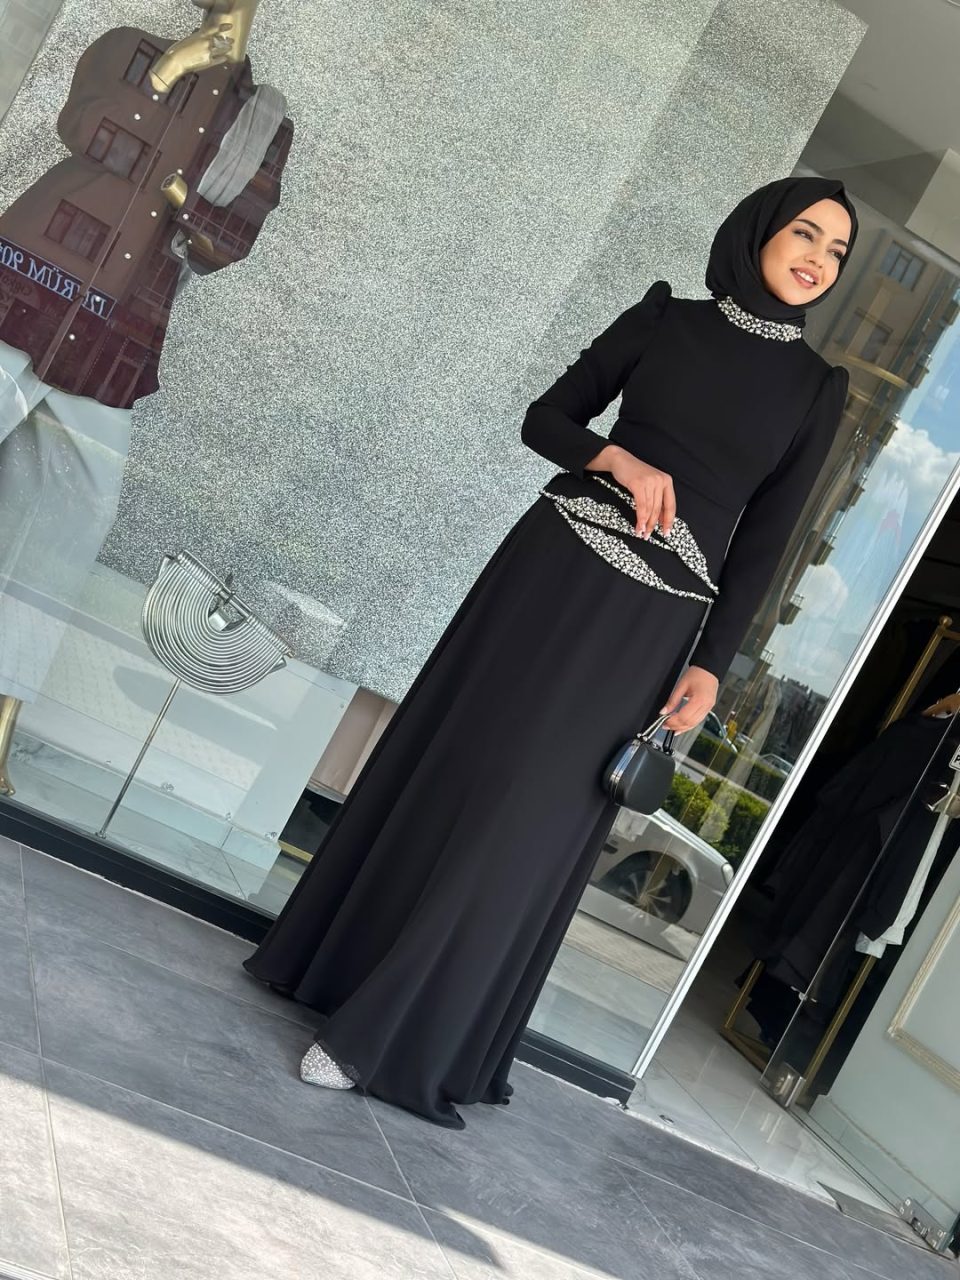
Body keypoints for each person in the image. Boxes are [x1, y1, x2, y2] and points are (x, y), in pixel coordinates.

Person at [244, 176, 858, 1129]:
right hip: (547, 575)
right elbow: (545, 418)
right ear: (759, 232)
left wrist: (710, 664)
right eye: (807, 234)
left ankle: (390, 1039)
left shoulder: (816, 391)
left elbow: (766, 545)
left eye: (838, 252)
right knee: (460, 766)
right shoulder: (664, 320)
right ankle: (336, 971)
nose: (820, 258)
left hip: (649, 630)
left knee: (527, 819)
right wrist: (616, 458)